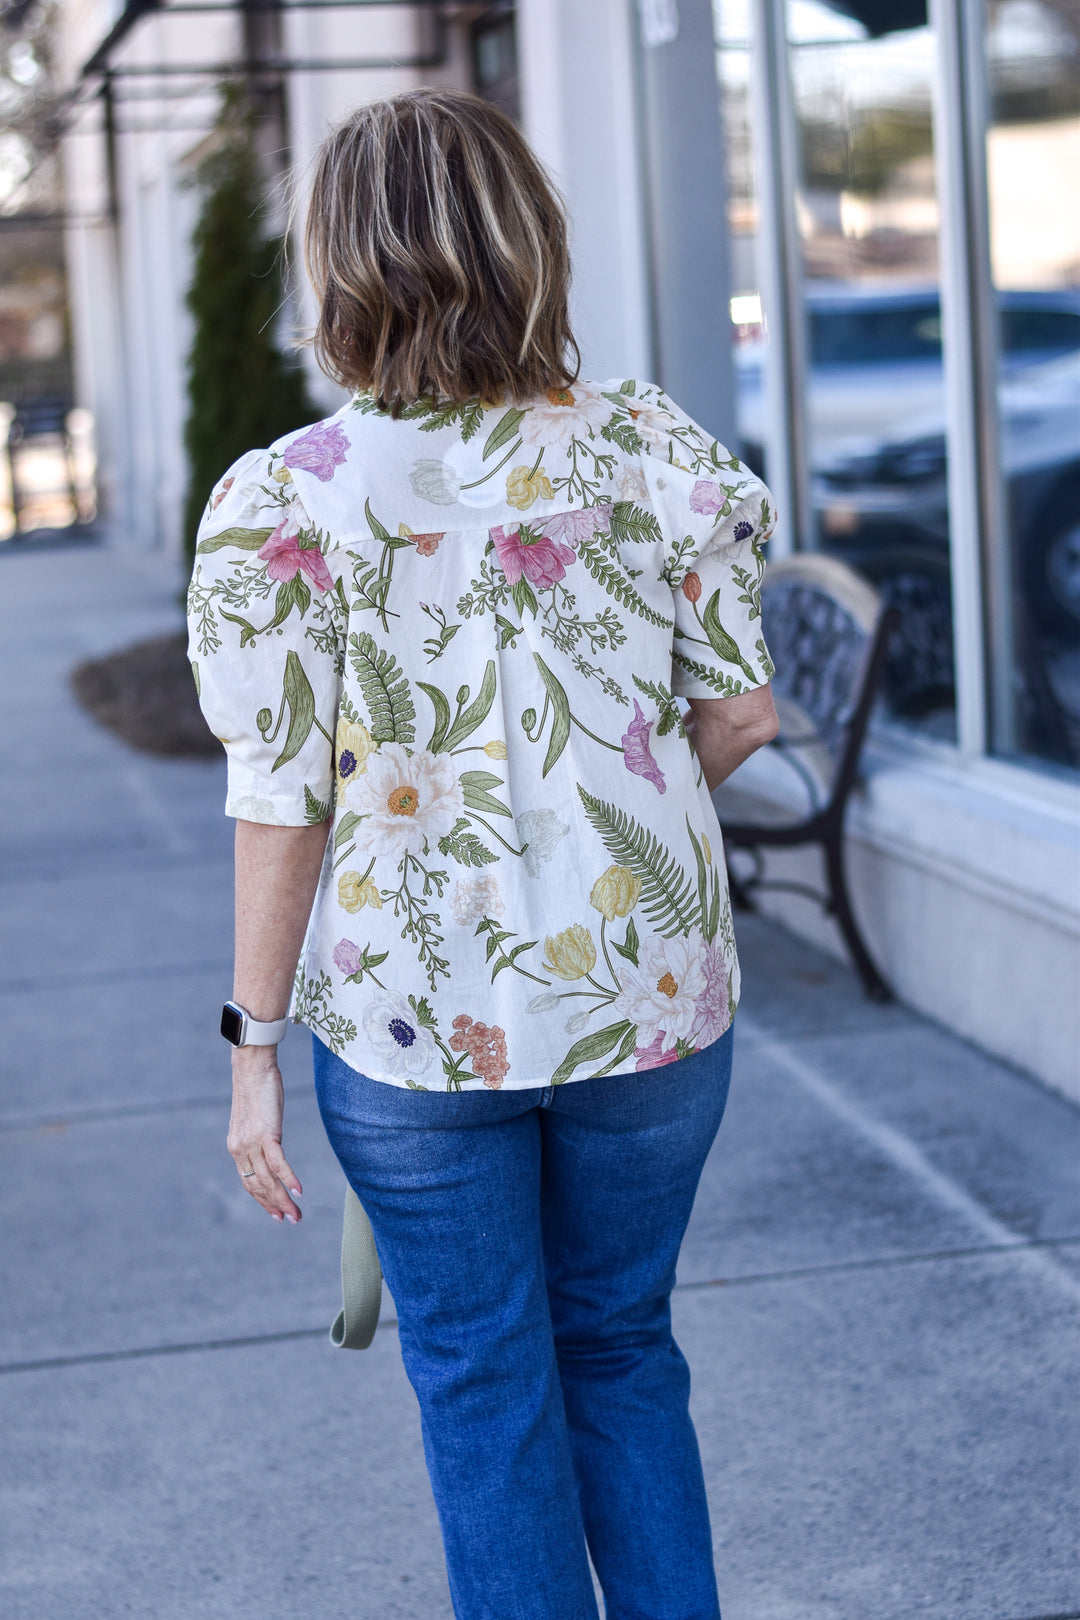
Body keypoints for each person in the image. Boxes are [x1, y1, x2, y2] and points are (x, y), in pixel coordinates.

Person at [188, 87, 779, 1620]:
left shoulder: (289, 502)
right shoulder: (647, 447)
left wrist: (253, 1047)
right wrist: (610, 803)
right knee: (624, 1348)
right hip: (648, 994)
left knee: (482, 1387)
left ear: (341, 267)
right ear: (529, 245)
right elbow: (745, 717)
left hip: (406, 1023)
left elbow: (282, 798)